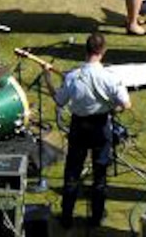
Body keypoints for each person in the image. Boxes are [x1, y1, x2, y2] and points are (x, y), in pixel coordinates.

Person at [56, 32, 131, 229]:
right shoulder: (110, 76)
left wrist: (48, 77)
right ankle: (96, 218)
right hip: (100, 127)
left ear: (86, 50)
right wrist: (113, 107)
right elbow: (126, 104)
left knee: (72, 173)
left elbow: (59, 100)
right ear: (103, 51)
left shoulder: (73, 76)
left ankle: (66, 217)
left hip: (78, 127)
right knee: (100, 174)